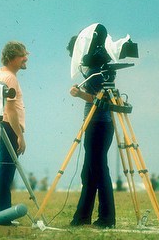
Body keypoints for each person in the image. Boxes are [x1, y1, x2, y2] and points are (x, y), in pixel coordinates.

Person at [67, 25, 116, 229]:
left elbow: (98, 99)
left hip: (97, 124)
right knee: (91, 171)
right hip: (101, 125)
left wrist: (79, 94)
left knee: (97, 170)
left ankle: (105, 218)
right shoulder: (99, 69)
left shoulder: (95, 71)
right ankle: (85, 216)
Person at [0, 41, 28, 213]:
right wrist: (20, 135)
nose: (25, 59)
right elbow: (10, 110)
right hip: (8, 127)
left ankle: (0, 210)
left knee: (4, 169)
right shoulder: (10, 78)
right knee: (6, 170)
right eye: (22, 55)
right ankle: (2, 212)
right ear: (12, 58)